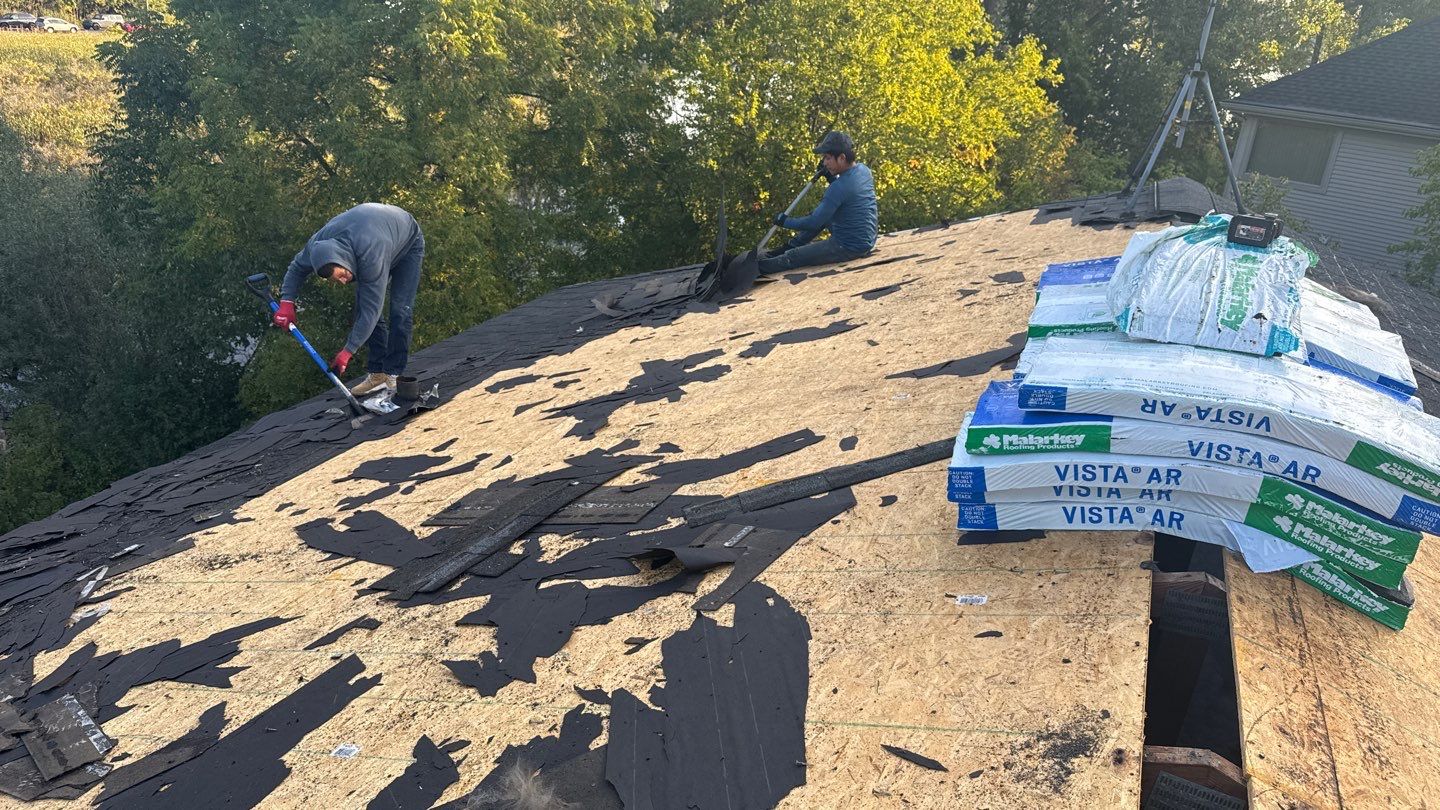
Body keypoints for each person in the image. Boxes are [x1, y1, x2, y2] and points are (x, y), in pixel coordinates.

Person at [274, 203, 424, 397]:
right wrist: (287, 302)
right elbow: (296, 269)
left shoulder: (370, 254)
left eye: (343, 274)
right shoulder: (316, 246)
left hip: (407, 242)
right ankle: (377, 373)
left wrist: (347, 351)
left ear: (344, 259)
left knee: (399, 310)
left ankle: (393, 373)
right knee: (364, 306)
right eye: (338, 279)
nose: (344, 282)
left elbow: (372, 311)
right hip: (373, 233)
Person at [759, 131, 877, 275]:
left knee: (794, 256)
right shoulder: (864, 170)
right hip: (866, 239)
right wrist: (829, 177)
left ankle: (755, 268)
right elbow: (847, 194)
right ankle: (786, 248)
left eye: (827, 158)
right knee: (824, 216)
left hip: (848, 247)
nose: (825, 163)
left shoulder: (838, 188)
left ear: (842, 158)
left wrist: (785, 221)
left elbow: (812, 223)